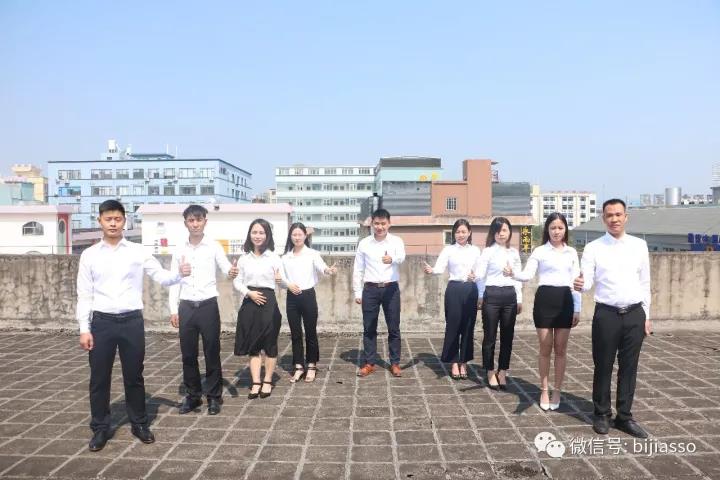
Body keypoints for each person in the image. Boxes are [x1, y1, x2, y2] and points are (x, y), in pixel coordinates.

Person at [76, 200, 190, 452]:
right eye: (108, 219)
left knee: (134, 375)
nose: (113, 223)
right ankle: (100, 427)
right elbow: (84, 294)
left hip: (131, 321)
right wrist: (84, 328)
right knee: (99, 378)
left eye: (117, 219)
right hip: (101, 322)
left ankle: (139, 423)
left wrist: (179, 274)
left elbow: (161, 276)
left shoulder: (137, 251)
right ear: (100, 221)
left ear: (124, 221)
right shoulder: (89, 254)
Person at [574, 199, 651, 438]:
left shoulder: (639, 245)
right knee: (603, 365)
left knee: (629, 367)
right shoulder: (593, 248)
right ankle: (602, 413)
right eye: (609, 215)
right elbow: (587, 281)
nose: (614, 219)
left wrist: (647, 316)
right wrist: (581, 284)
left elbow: (645, 283)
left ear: (626, 217)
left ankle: (624, 416)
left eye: (618, 214)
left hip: (635, 313)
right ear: (603, 218)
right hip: (606, 314)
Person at [504, 213, 580, 410]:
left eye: (560, 228)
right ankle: (544, 389)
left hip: (565, 301)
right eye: (553, 227)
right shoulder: (539, 251)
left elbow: (576, 282)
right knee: (545, 348)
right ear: (547, 229)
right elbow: (527, 274)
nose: (556, 231)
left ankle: (557, 390)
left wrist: (577, 308)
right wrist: (513, 274)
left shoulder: (572, 252)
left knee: (561, 349)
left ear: (565, 230)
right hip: (545, 300)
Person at [168, 205, 239, 416]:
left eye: (199, 220)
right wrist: (173, 310)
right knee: (188, 354)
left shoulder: (213, 246)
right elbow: (174, 280)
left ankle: (214, 397)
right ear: (186, 223)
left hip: (208, 305)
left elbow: (225, 268)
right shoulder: (179, 249)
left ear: (205, 221)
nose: (195, 224)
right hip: (186, 306)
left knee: (212, 352)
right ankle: (193, 396)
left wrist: (232, 271)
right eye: (191, 220)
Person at [233, 218, 285, 399]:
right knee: (253, 345)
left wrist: (281, 281)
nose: (257, 236)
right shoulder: (243, 258)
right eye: (254, 232)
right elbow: (237, 282)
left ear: (267, 235)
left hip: (268, 302)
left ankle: (268, 380)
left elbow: (283, 282)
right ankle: (256, 382)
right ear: (249, 234)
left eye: (261, 232)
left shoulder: (274, 257)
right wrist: (249, 293)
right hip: (249, 301)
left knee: (270, 344)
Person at [423, 219, 481, 380]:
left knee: (468, 327)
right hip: (454, 289)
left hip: (471, 289)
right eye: (457, 232)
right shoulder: (448, 250)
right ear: (454, 234)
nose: (460, 235)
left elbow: (481, 273)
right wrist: (432, 270)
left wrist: (480, 291)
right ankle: (454, 362)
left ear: (469, 233)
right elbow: (439, 268)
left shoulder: (476, 251)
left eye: (463, 231)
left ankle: (464, 362)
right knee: (453, 326)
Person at [352, 208, 406, 377]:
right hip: (370, 289)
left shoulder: (396, 241)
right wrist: (357, 292)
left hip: (391, 288)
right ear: (371, 224)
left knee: (394, 328)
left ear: (389, 224)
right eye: (376, 223)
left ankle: (395, 363)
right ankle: (369, 363)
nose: (380, 227)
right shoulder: (364, 243)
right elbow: (358, 269)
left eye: (383, 223)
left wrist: (392, 259)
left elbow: (402, 257)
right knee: (369, 327)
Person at [281, 223, 337, 383]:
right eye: (294, 235)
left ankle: (312, 365)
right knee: (295, 333)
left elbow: (322, 268)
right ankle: (299, 366)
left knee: (310, 332)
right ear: (290, 237)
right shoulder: (285, 257)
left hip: (308, 296)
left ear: (305, 236)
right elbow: (281, 279)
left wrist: (329, 270)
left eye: (300, 234)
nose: (297, 237)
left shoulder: (312, 254)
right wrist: (288, 285)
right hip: (292, 297)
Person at [475, 217, 523, 391]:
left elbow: (518, 277)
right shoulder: (487, 252)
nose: (501, 234)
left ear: (509, 232)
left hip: (510, 295)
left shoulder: (514, 253)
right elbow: (480, 275)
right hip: (492, 296)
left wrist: (519, 298)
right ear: (492, 233)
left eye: (504, 230)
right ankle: (489, 371)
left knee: (507, 336)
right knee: (489, 336)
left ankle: (502, 371)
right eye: (497, 231)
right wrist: (480, 292)